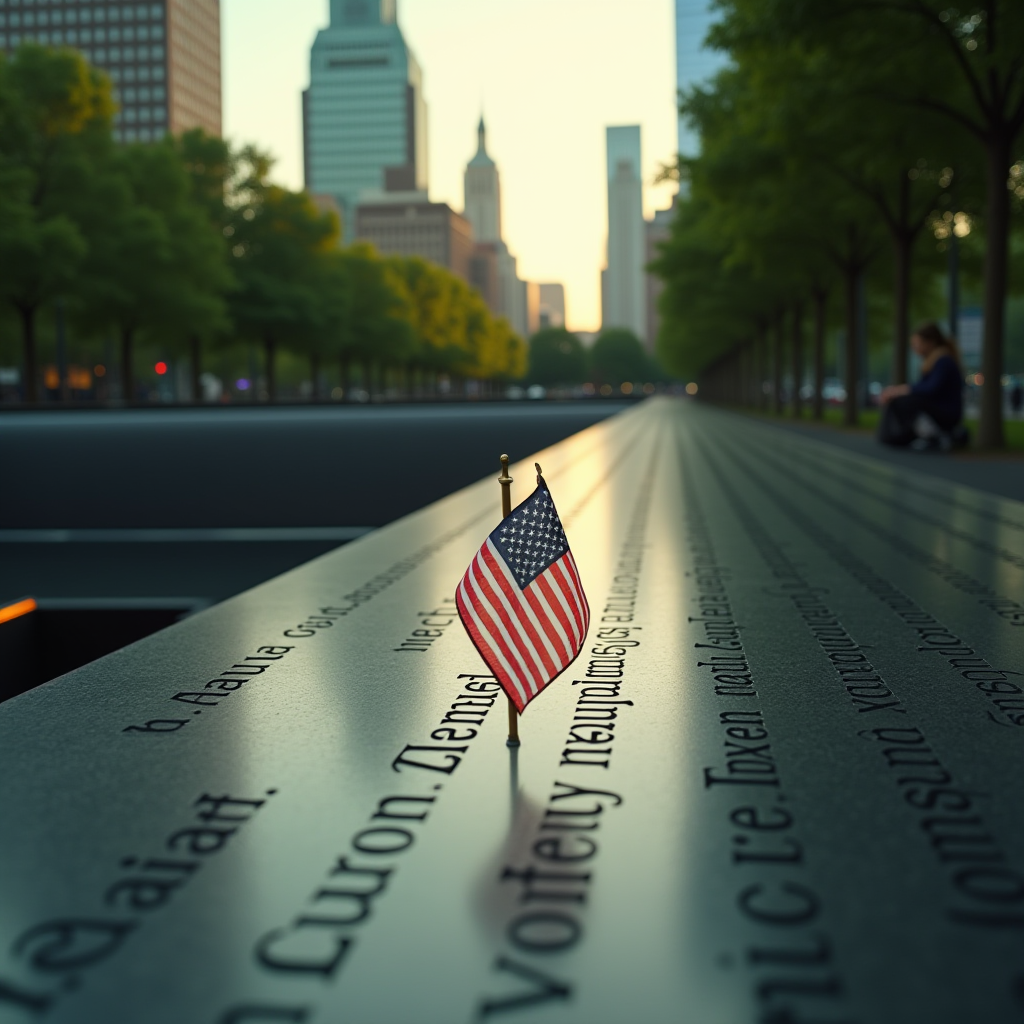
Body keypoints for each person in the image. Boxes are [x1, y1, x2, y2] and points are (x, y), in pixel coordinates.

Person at [878, 322, 965, 450]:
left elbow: (930, 388)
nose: (914, 348)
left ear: (930, 342)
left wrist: (900, 390)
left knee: (906, 401)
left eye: (917, 344)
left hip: (947, 412)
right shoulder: (934, 361)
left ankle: (932, 435)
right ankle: (914, 435)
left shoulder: (943, 361)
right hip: (941, 409)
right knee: (902, 400)